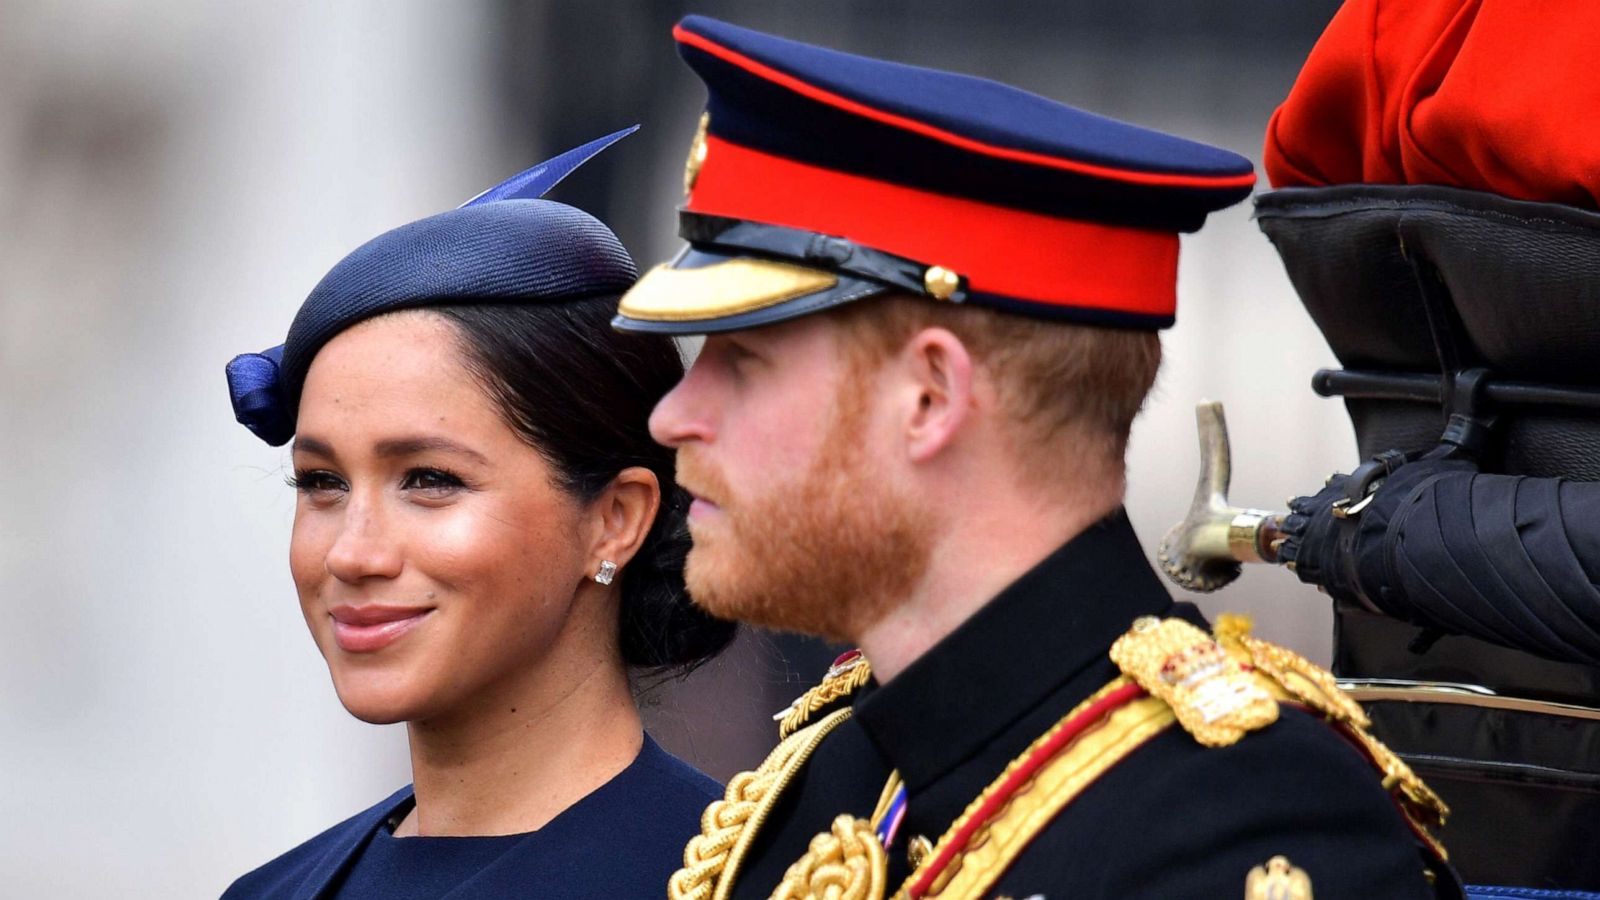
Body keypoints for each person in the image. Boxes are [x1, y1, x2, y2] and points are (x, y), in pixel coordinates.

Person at [613, 17, 1461, 900]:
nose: (675, 415)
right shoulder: (828, 780)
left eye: (743, 362)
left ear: (930, 397)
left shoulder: (1245, 829)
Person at [219, 130, 736, 899]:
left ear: (615, 518)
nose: (353, 555)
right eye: (321, 483)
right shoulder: (272, 892)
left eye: (429, 479)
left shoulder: (743, 880)